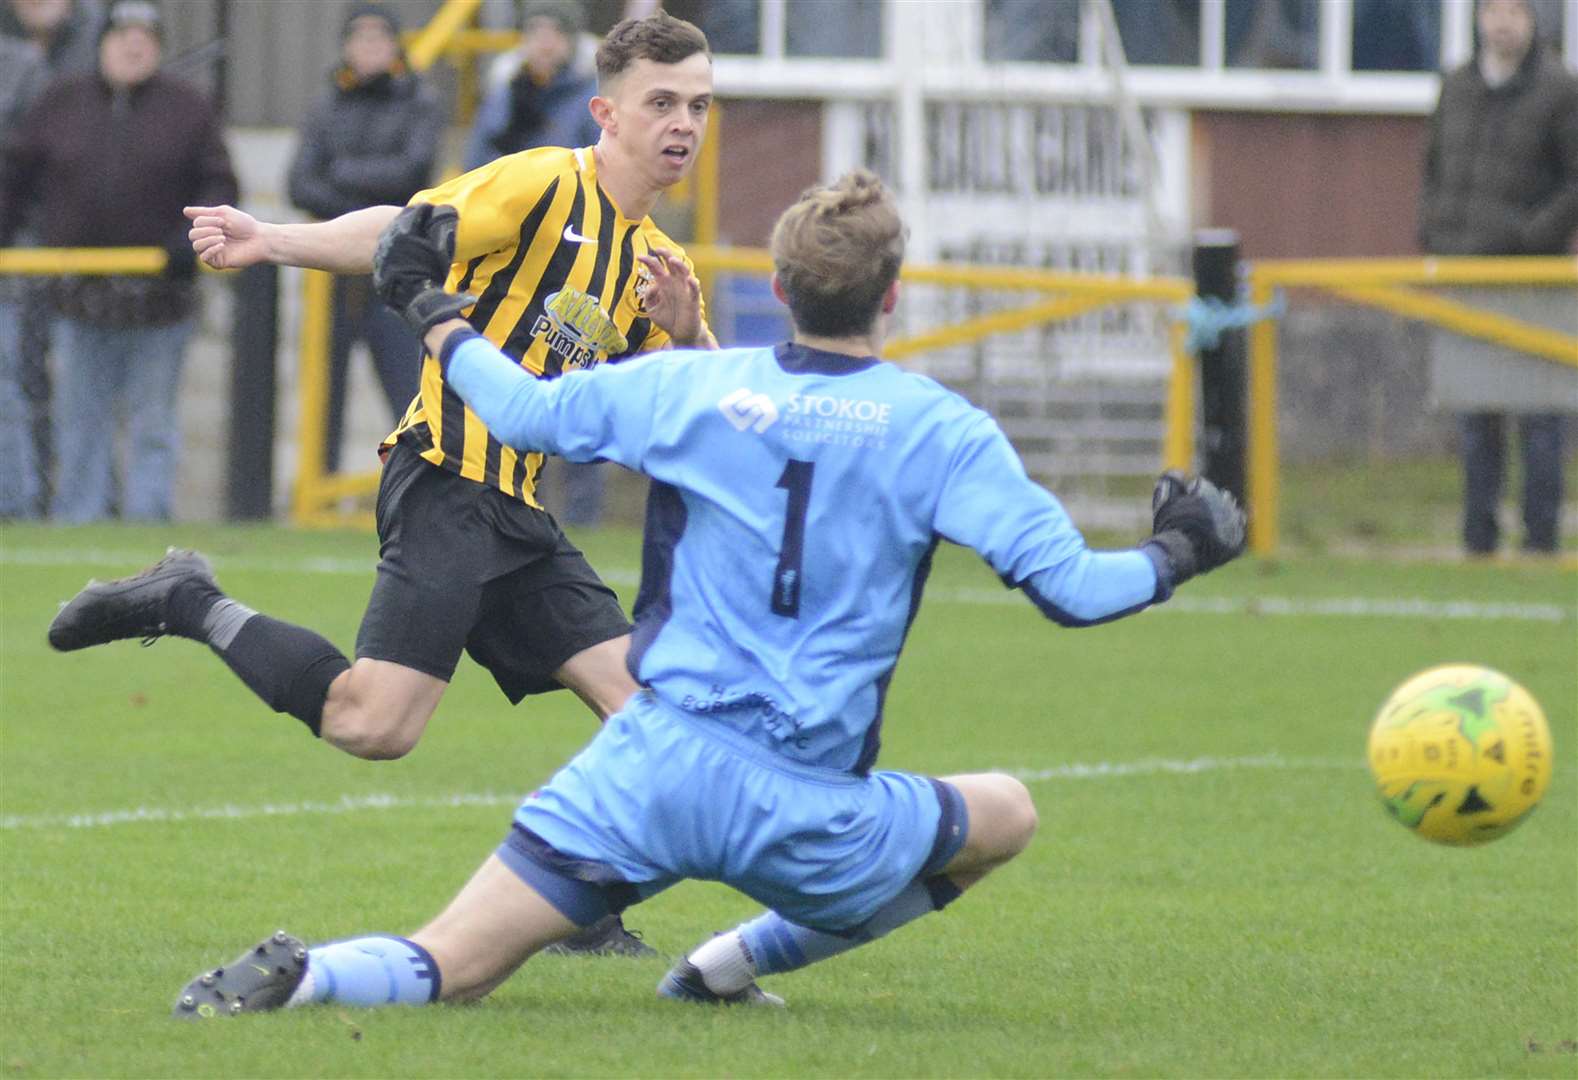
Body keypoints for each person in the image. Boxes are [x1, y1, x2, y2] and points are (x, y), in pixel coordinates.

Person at [166, 169, 1246, 1018]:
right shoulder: (940, 430)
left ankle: (306, 980)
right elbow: (1078, 592)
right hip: (809, 813)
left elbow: (529, 416)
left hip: (648, 768)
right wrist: (1183, 545)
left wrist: (431, 311)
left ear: (775, 289)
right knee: (1004, 813)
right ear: (893, 295)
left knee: (449, 963)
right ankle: (727, 964)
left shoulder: (691, 385)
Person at [46, 9, 717, 955]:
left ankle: (582, 903)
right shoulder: (540, 184)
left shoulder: (665, 270)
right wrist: (272, 239)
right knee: (373, 724)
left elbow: (718, 419)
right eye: (662, 102)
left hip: (518, 515)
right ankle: (192, 601)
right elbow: (407, 232)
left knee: (652, 713)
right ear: (607, 111)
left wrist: (688, 333)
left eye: (697, 104)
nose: (683, 123)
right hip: (444, 479)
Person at [0, 0, 238, 522]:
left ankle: (147, 529)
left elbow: (219, 185)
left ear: (158, 48)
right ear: (102, 43)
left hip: (161, 303)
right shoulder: (60, 102)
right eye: (123, 36)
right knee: (80, 424)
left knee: (153, 425)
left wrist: (188, 242)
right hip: (78, 299)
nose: (134, 47)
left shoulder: (189, 109)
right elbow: (14, 178)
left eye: (145, 39)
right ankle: (78, 524)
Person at [1418, 0, 1578, 556]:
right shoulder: (1456, 86)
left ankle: (1540, 541)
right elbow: (1433, 168)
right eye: (1492, 9)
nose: (1501, 21)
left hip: (1533, 280)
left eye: (1514, 9)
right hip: (1467, 273)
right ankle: (1478, 541)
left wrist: (1530, 238)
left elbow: (1572, 185)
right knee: (1475, 418)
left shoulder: (1560, 90)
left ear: (1535, 19)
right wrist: (1434, 231)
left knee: (1540, 418)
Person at [464, 0, 607, 525]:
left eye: (552, 34)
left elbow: (590, 171)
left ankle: (583, 515)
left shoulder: (590, 102)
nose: (542, 44)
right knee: (515, 381)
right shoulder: (507, 97)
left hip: (574, 260)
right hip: (515, 266)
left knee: (581, 381)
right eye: (535, 33)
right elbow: (476, 169)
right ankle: (517, 507)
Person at [287, 3, 442, 473]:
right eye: (360, 39)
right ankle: (319, 486)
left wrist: (343, 177)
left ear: (396, 46)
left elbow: (414, 173)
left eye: (380, 39)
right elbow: (297, 182)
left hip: (396, 268)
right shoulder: (327, 101)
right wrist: (366, 187)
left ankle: (418, 485)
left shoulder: (420, 100)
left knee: (407, 389)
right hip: (332, 272)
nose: (370, 49)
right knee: (321, 392)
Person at [0, 0, 107, 517]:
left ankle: (37, 501)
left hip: (49, 251)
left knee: (37, 386)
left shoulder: (87, 52)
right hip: (23, 246)